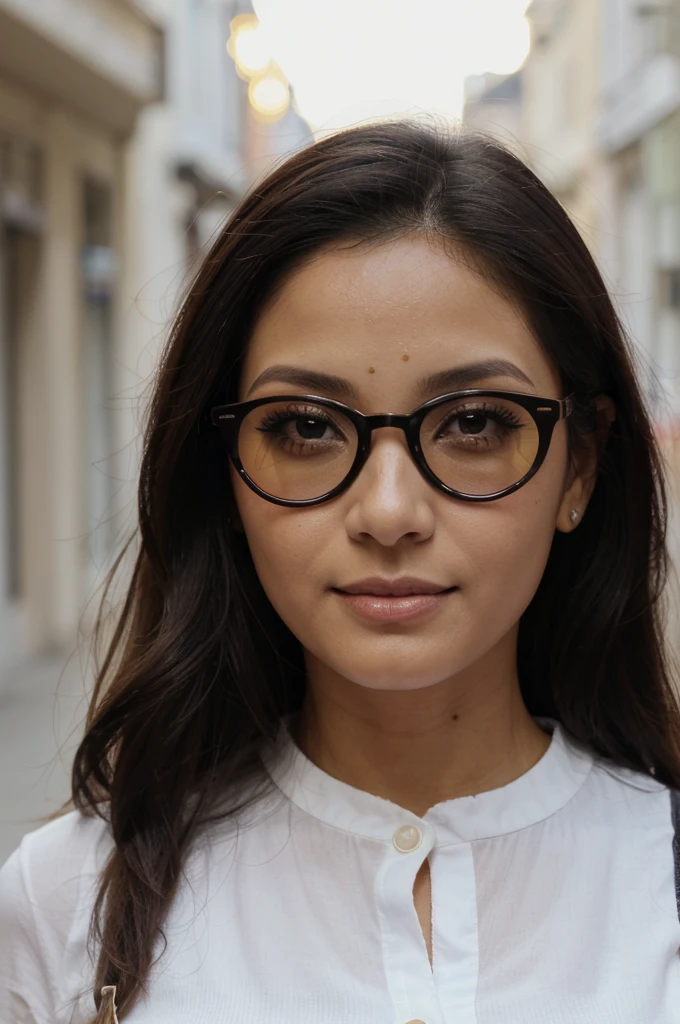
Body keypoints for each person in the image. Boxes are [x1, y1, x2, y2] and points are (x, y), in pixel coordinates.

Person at [1, 118, 680, 1024]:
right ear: (224, 472)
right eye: (307, 428)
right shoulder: (68, 905)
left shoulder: (656, 873)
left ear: (582, 467)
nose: (389, 512)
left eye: (475, 423)